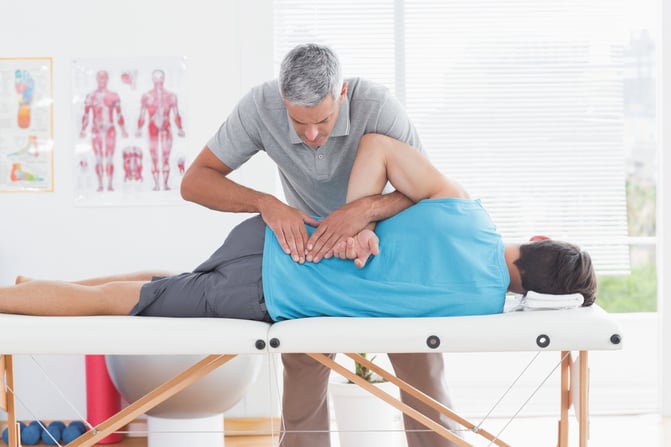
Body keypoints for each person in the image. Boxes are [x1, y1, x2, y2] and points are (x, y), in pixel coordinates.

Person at [2, 135, 597, 444]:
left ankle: (31, 289)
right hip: (263, 291)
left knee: (161, 285)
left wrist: (356, 214)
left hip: (273, 244)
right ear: (539, 294)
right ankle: (17, 294)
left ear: (539, 238)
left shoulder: (468, 212)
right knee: (124, 301)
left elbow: (378, 147)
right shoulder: (481, 308)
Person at [180, 42, 458, 447]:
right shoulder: (260, 107)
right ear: (282, 100)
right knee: (302, 384)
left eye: (323, 120)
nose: (311, 135)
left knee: (422, 377)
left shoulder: (378, 106)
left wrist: (364, 211)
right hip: (313, 259)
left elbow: (432, 192)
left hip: (385, 251)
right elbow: (195, 181)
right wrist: (266, 203)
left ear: (341, 93)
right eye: (298, 122)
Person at [136, 69, 186, 191]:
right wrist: (138, 129)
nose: (158, 80)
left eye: (160, 77)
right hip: (152, 129)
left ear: (164, 79)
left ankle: (165, 184)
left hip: (166, 129)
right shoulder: (147, 96)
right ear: (152, 79)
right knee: (154, 156)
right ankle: (156, 184)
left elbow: (176, 114)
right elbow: (142, 115)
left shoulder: (171, 96)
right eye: (156, 78)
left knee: (165, 157)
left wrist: (180, 128)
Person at [80, 70, 129, 192]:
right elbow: (86, 114)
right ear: (96, 79)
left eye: (104, 78)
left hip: (110, 130)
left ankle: (110, 184)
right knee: (98, 158)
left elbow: (119, 114)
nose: (102, 80)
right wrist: (83, 129)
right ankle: (100, 185)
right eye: (100, 78)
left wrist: (123, 129)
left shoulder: (113, 96)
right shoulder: (90, 96)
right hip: (96, 130)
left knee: (109, 158)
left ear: (107, 79)